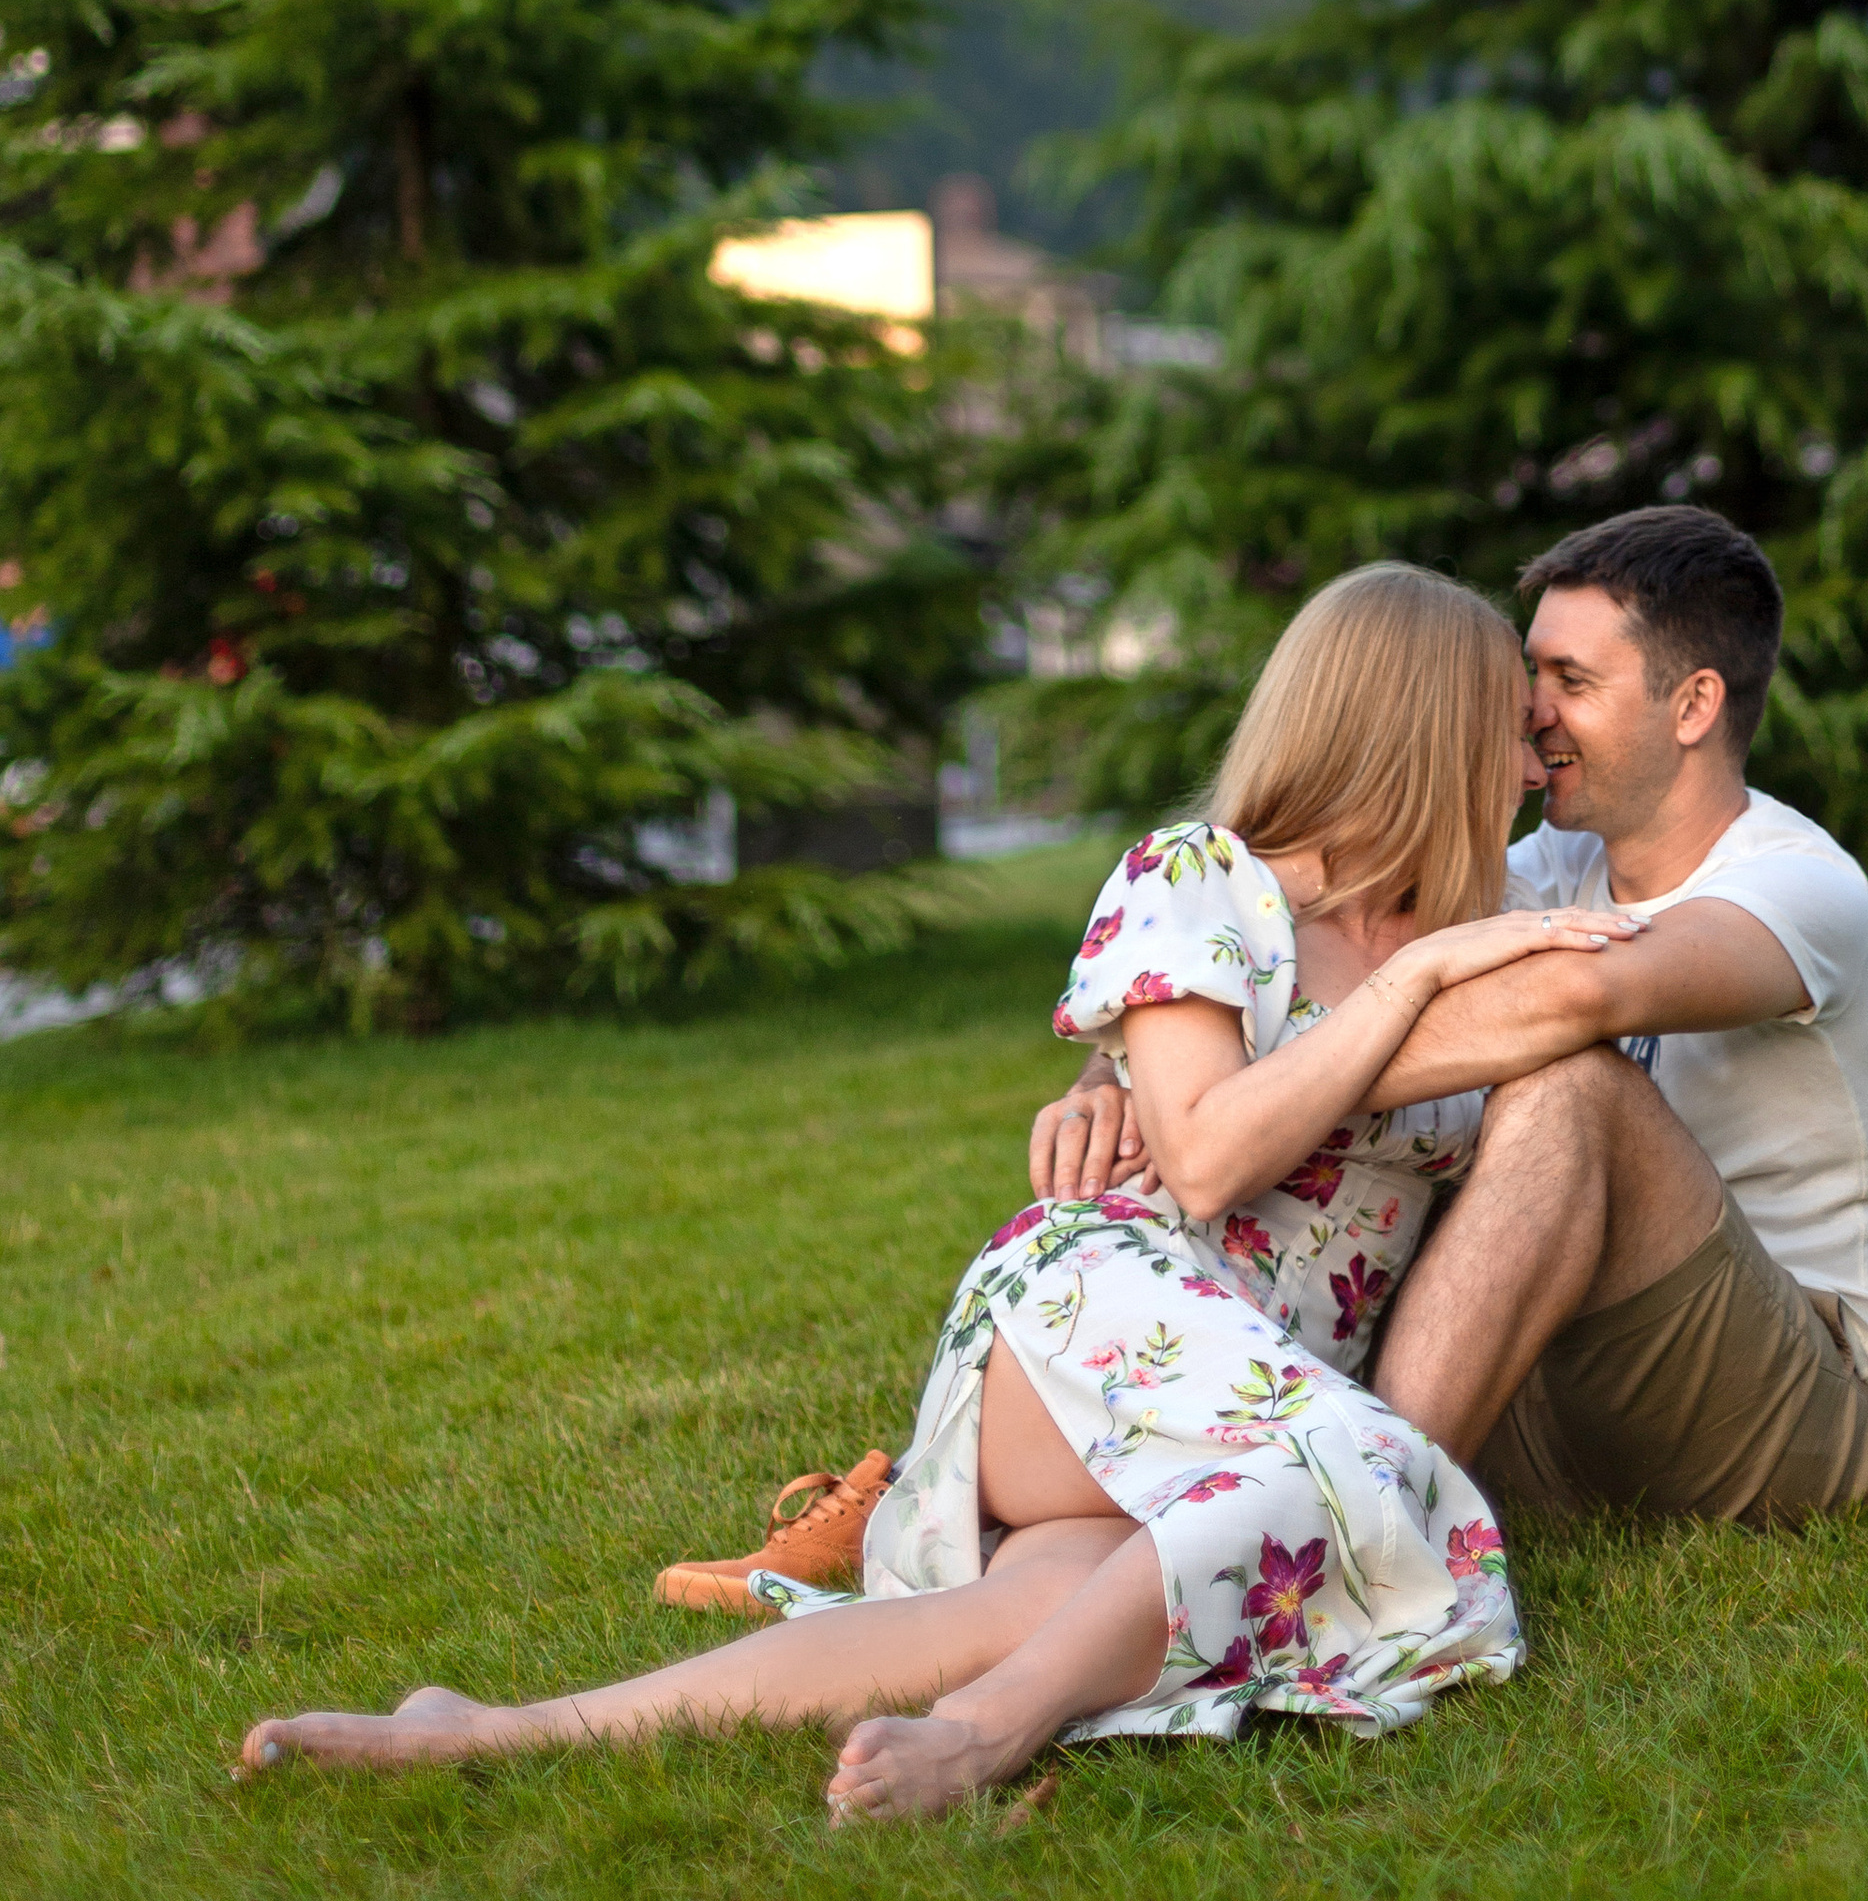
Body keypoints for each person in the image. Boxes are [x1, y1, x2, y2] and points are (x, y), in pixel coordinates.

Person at [235, 563, 1635, 1827]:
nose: (1539, 752)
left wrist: (1451, 964)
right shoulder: (1205, 881)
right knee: (1364, 1471)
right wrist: (1402, 987)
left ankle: (496, 1730)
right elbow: (1204, 1159)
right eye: (1516, 724)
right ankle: (986, 1736)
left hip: (1249, 1396)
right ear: (1424, 727)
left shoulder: (1482, 930)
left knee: (1039, 1598)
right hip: (1107, 1318)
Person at [1040, 506, 1868, 1534]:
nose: (1533, 714)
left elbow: (1574, 997)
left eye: (1573, 683)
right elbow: (1306, 965)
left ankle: (1348, 1539)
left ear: (1693, 706)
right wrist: (1128, 1073)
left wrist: (1233, 1102)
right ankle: (1022, 1497)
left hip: (1796, 1398)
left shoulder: (1797, 888)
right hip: (1562, 1366)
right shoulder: (1537, 874)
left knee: (1575, 1082)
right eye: (1531, 680)